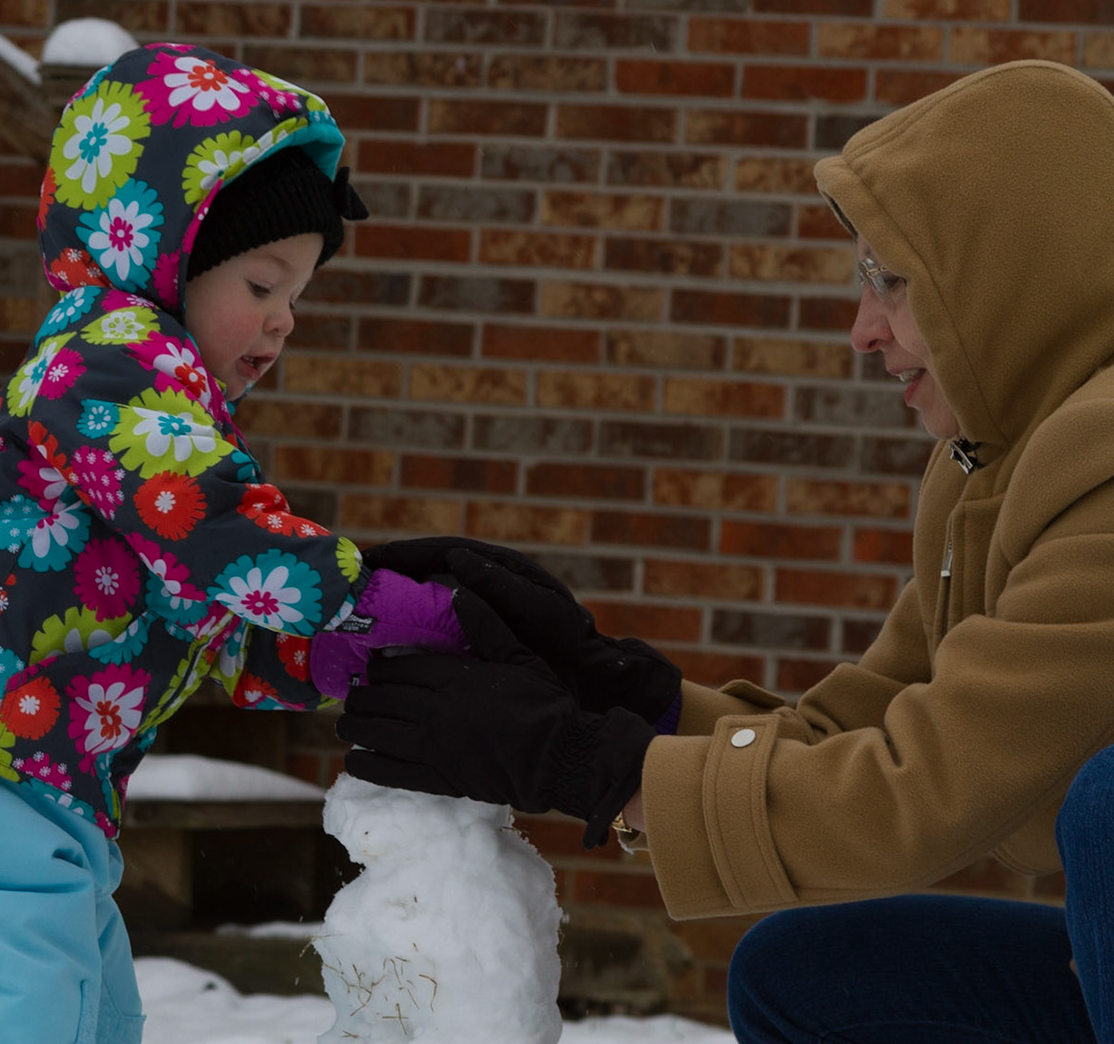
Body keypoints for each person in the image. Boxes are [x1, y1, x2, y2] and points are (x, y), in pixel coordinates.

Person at [337, 59, 1114, 1042]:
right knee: (812, 972)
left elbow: (924, 787)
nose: (863, 329)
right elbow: (862, 730)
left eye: (897, 281)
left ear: (1013, 279)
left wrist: (595, 768)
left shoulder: (1102, 469)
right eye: (862, 275)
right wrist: (608, 688)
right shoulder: (991, 467)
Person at [0, 43, 464, 1044]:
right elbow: (213, 532)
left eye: (298, 293)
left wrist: (310, 650)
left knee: (89, 1022)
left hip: (32, 785)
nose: (283, 319)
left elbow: (194, 595)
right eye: (261, 282)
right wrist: (352, 594)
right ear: (167, 250)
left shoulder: (160, 406)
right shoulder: (104, 364)